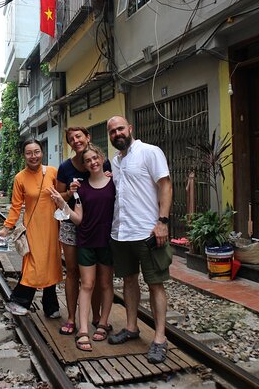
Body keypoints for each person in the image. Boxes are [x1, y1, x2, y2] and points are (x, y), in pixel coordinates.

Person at [106, 116, 173, 365]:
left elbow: (165, 185)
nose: (117, 134)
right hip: (122, 232)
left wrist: (162, 222)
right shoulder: (115, 161)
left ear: (130, 129)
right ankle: (131, 327)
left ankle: (159, 338)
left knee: (156, 284)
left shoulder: (150, 152)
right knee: (129, 280)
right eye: (112, 131)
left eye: (120, 129)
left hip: (148, 231)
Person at [49, 144, 115, 352]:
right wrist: (62, 203)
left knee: (105, 283)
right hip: (86, 241)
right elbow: (78, 219)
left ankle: (103, 322)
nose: (93, 163)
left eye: (95, 158)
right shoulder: (81, 188)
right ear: (84, 165)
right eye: (88, 161)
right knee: (87, 284)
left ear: (102, 158)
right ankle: (83, 329)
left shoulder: (115, 183)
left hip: (107, 241)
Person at [0, 140, 62, 318]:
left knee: (51, 263)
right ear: (24, 156)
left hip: (53, 227)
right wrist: (6, 228)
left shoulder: (53, 172)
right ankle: (18, 301)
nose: (33, 156)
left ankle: (50, 305)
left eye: (37, 152)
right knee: (34, 265)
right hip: (33, 229)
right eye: (29, 153)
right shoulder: (20, 178)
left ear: (42, 153)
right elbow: (16, 206)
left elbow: (63, 196)